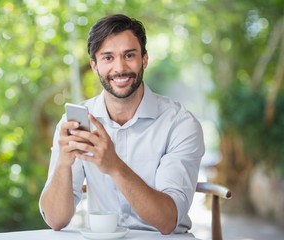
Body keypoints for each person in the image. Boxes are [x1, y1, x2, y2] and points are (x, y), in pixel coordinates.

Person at [39, 14, 205, 235]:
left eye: (129, 55)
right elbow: (55, 221)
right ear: (94, 66)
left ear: (144, 59)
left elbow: (167, 221)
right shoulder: (76, 123)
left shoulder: (180, 124)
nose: (120, 67)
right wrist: (63, 164)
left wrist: (114, 166)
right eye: (108, 58)